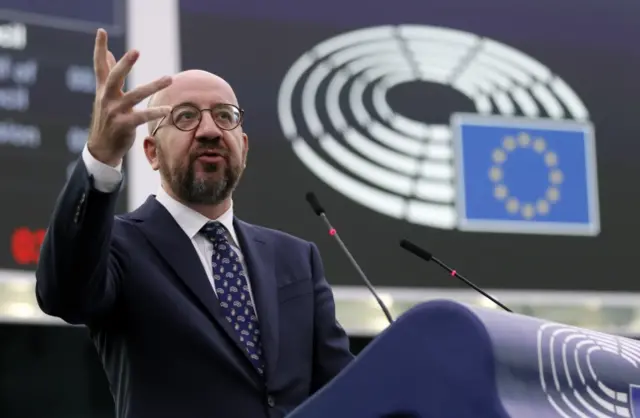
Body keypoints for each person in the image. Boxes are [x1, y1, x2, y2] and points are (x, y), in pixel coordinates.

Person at [35, 28, 354, 418]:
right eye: (185, 117)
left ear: (244, 146)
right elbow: (63, 295)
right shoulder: (118, 246)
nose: (209, 130)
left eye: (225, 116)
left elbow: (345, 391)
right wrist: (101, 157)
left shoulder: (297, 259)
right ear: (151, 152)